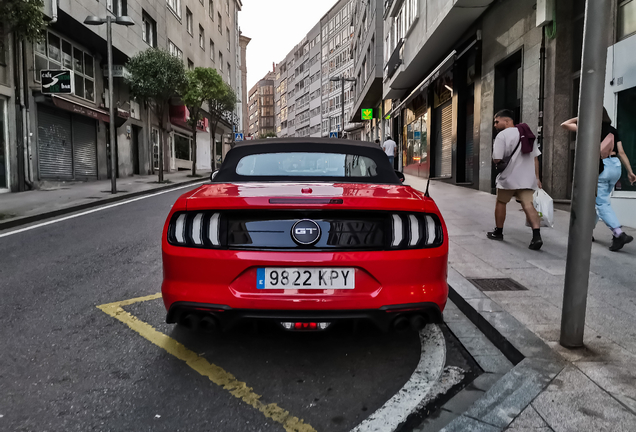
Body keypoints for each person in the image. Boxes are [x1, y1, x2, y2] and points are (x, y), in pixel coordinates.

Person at [561, 109, 636, 251]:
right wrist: (630, 172)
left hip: (601, 167)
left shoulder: (589, 128)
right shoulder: (612, 130)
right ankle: (588, 232)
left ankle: (618, 233)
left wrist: (580, 116)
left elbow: (564, 124)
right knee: (597, 201)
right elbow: (621, 152)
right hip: (615, 167)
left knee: (601, 203)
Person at [487, 109, 544, 250]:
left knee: (501, 202)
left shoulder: (502, 136)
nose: (495, 124)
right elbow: (535, 158)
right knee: (528, 204)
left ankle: (498, 232)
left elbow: (497, 159)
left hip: (509, 178)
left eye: (497, 121)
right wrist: (537, 178)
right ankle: (537, 235)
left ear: (507, 121)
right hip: (526, 178)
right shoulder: (528, 134)